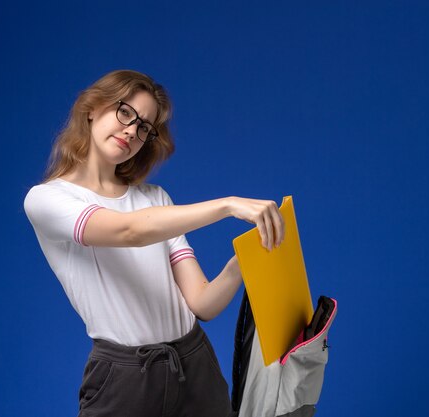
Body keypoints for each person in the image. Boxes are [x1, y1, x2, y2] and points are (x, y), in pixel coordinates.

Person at [23, 69, 284, 417]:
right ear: (91, 109)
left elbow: (203, 304)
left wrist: (243, 260)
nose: (132, 130)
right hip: (125, 377)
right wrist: (227, 205)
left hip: (195, 364)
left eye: (144, 127)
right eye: (125, 112)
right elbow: (128, 231)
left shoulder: (155, 199)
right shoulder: (47, 200)